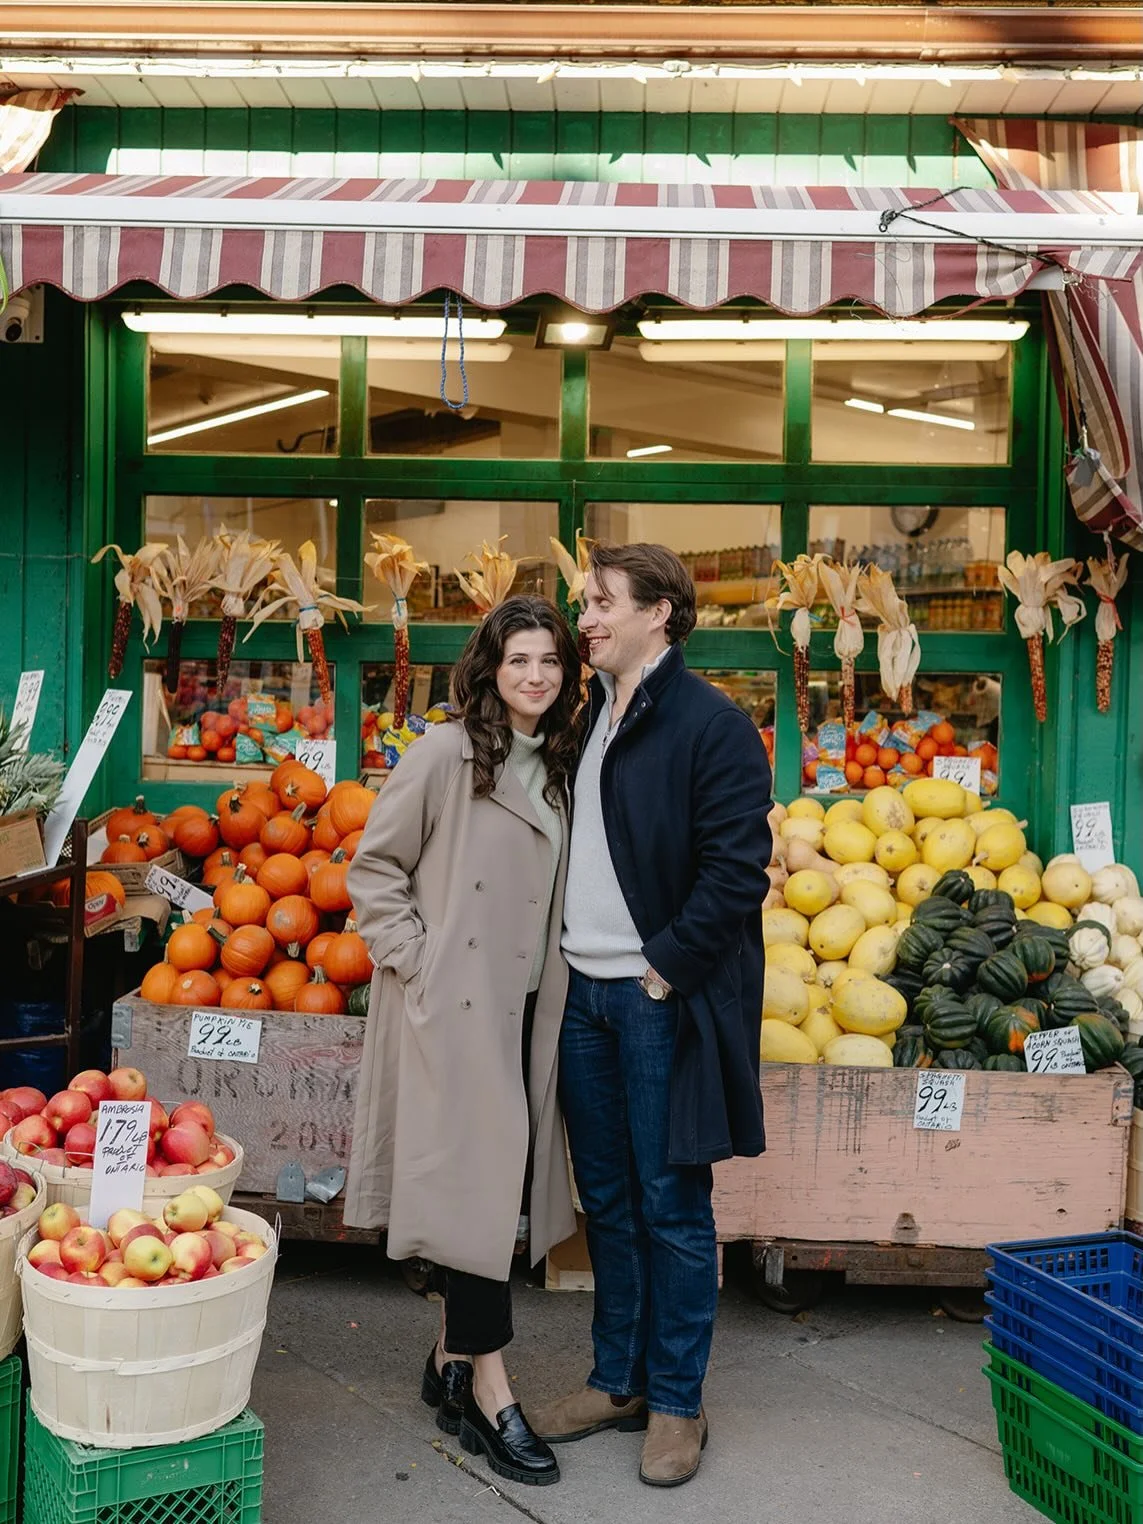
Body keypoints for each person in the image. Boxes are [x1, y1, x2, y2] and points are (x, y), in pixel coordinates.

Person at [532, 542, 772, 1488]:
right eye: (583, 602)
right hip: (583, 996)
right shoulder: (594, 712)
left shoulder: (710, 724)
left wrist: (662, 972)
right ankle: (615, 1380)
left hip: (648, 997)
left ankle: (677, 1401)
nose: (583, 618)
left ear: (659, 613)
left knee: (672, 1205)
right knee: (611, 1201)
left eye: (600, 602)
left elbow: (734, 872)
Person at [343, 594, 584, 1488]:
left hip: (528, 1008)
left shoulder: (559, 763)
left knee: (488, 1195)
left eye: (550, 662)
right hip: (455, 1008)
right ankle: (492, 1390)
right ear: (488, 668)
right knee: (479, 1201)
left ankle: (447, 1355)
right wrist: (419, 963)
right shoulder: (445, 753)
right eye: (518, 659)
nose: (534, 676)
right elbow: (373, 866)